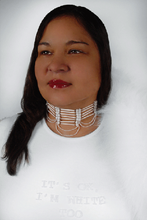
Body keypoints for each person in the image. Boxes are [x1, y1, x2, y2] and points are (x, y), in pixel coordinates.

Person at [0, 4, 147, 220]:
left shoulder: (139, 149)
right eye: (46, 52)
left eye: (74, 50)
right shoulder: (3, 135)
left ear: (103, 61)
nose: (56, 65)